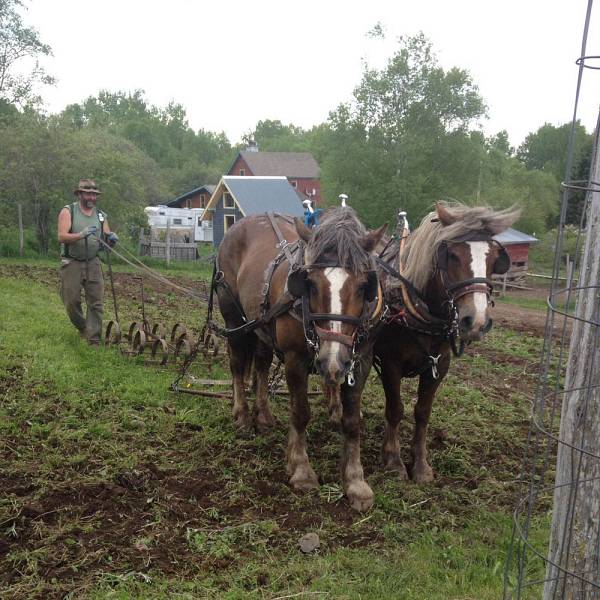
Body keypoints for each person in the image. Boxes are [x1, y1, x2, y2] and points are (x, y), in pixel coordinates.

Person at [57, 179, 119, 345]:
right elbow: (62, 236)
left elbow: (105, 241)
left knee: (96, 302)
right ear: (80, 194)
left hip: (93, 262)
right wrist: (80, 234)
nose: (92, 197)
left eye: (94, 194)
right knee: (71, 302)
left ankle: (93, 339)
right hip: (72, 262)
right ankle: (84, 327)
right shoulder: (68, 211)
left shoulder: (100, 216)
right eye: (88, 194)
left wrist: (111, 239)